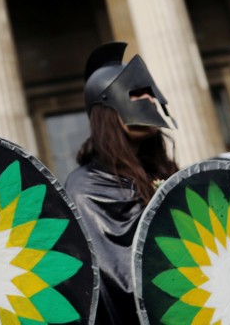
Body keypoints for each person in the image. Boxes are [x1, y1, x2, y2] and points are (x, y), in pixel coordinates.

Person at [64, 41, 178, 325]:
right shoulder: (85, 188)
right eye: (136, 94)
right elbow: (116, 281)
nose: (149, 101)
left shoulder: (167, 174)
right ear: (108, 109)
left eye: (150, 93)